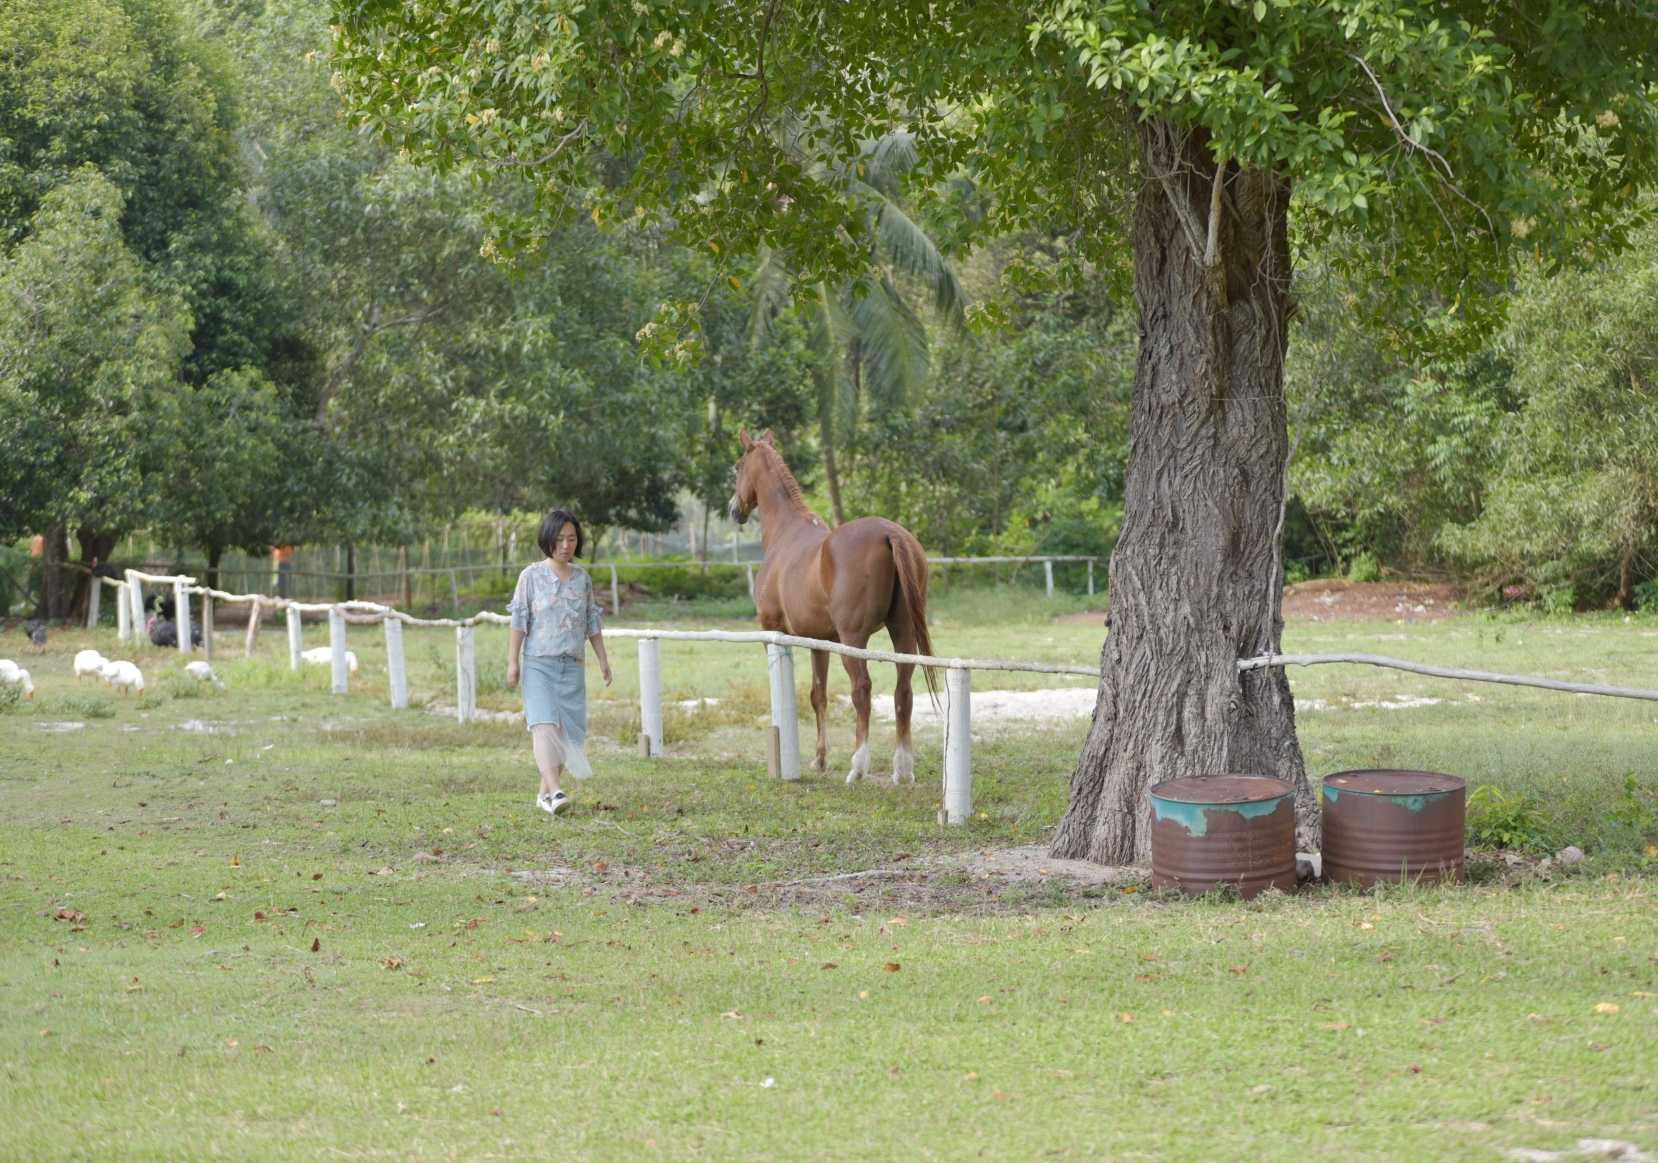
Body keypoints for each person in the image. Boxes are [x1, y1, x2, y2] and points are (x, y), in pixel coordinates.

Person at [507, 509, 612, 816]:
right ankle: (556, 790)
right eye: (560, 539)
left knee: (569, 733)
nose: (566, 545)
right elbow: (519, 620)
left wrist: (603, 659)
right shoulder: (530, 576)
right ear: (548, 540)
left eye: (571, 539)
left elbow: (591, 622)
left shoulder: (582, 579)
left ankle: (544, 796)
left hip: (572, 665)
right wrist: (513, 661)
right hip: (538, 663)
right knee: (544, 725)